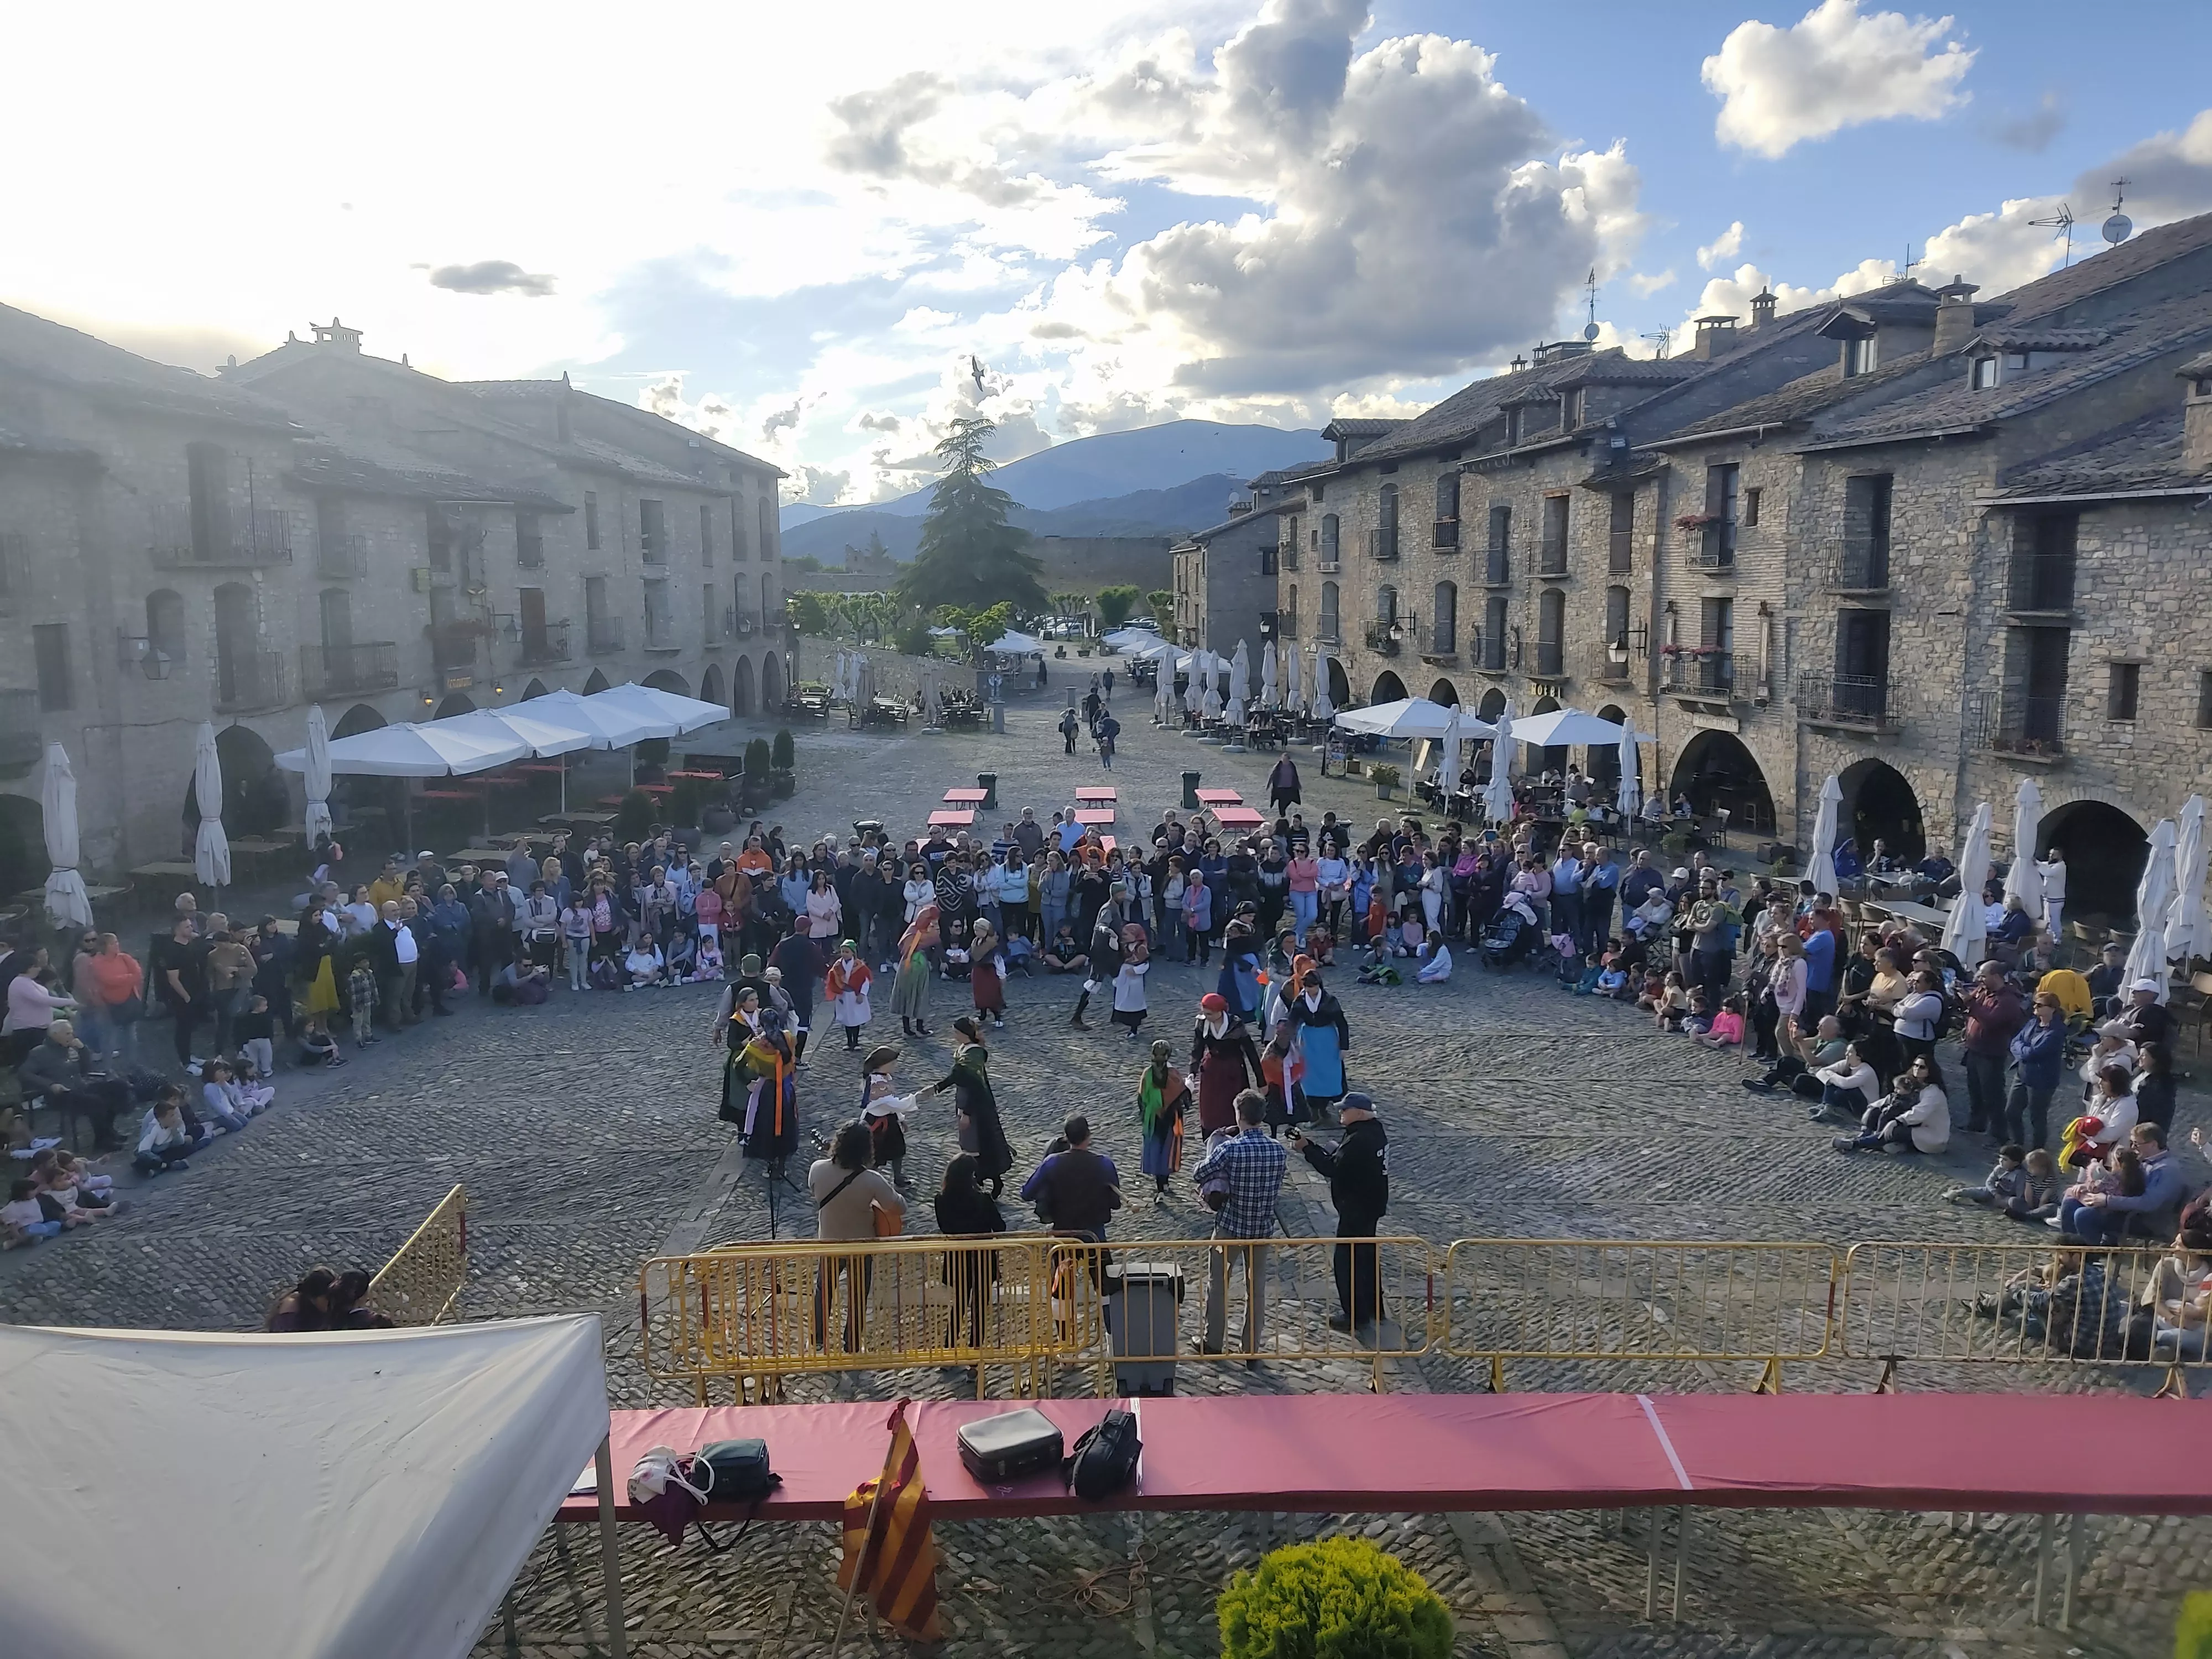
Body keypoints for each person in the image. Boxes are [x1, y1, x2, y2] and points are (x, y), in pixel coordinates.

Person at [1192, 1091, 1287, 1357]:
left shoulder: (1229, 1149)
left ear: (1239, 1116)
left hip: (1230, 1227)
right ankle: (1251, 1348)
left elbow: (1198, 1172)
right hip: (1262, 1229)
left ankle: (1213, 1342)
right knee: (1256, 1290)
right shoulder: (1278, 1151)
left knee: (1218, 1284)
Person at [1291, 1090, 1389, 1333]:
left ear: (1359, 1113)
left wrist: (1306, 1149)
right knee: (1367, 1257)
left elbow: (1332, 1167)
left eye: (1345, 1110)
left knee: (1347, 1261)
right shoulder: (1375, 1132)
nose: (1341, 1113)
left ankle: (1355, 1316)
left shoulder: (1359, 1140)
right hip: (1372, 1205)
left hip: (1357, 1208)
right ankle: (1375, 1307)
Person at [809, 1121, 902, 1349]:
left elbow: (815, 1193)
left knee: (823, 1291)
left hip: (829, 1242)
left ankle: (818, 1337)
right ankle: (851, 1343)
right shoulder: (871, 1180)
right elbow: (899, 1206)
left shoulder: (817, 1169)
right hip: (860, 1246)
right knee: (858, 1295)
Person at [2060, 1122, 2186, 1245]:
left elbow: (2148, 1204)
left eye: (2136, 1144)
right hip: (2126, 1209)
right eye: (2132, 1143)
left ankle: (2089, 1258)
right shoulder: (2144, 1159)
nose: (2132, 1148)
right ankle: (2070, 1251)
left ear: (2153, 1145)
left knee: (2084, 1215)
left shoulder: (2166, 1170)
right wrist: (2089, 1187)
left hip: (2145, 1220)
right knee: (2071, 1203)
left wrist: (2108, 1201)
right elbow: (2119, 1182)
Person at [931, 1018, 1015, 1197]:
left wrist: (967, 1113)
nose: (953, 1036)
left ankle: (988, 1181)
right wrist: (937, 1088)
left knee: (981, 1144)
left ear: (963, 1034)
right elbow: (957, 1076)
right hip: (965, 1101)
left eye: (956, 1032)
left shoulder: (974, 1054)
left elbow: (974, 1085)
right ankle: (979, 1180)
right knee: (973, 1145)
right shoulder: (965, 1050)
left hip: (977, 1106)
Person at [933, 1152, 1005, 1352]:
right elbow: (1000, 1227)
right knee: (980, 1309)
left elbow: (945, 1228)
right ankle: (975, 1355)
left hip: (957, 1259)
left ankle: (949, 1349)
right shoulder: (983, 1199)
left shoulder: (941, 1200)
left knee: (958, 1305)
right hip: (983, 1259)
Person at [1019, 1113, 1122, 1239]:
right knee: (1098, 1258)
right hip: (1094, 1237)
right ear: (1088, 1136)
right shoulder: (1104, 1164)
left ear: (1066, 1138)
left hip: (1064, 1238)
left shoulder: (1052, 1163)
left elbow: (1027, 1193)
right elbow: (1115, 1203)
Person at [1834, 1054, 1950, 1154]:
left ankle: (1855, 1144)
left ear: (1930, 1070)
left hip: (1930, 1134)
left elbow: (1919, 1113)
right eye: (1915, 1065)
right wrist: (1874, 1106)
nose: (1917, 1069)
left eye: (1922, 1067)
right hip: (1914, 1124)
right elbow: (1893, 1097)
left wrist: (1897, 1121)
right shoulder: (1911, 1083)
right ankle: (1865, 1136)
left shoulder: (1934, 1092)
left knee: (1895, 1130)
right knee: (1876, 1111)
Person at [1960, 961, 2026, 1135]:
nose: (1980, 979)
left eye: (1983, 975)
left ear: (1996, 977)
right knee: (1975, 1089)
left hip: (1991, 1054)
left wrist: (1970, 1004)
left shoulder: (2008, 1000)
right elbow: (1971, 1006)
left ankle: (1999, 1133)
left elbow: (1991, 1022)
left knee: (1993, 1095)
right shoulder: (1983, 991)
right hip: (1974, 1049)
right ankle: (1977, 1123)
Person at [1191, 992, 1262, 1136]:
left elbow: (1251, 1052)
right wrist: (1192, 1071)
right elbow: (1197, 1048)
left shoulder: (1235, 1025)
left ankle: (1235, 1137)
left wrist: (1261, 1081)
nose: (1206, 1017)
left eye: (1209, 1014)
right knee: (1210, 1108)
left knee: (1233, 1107)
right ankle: (1212, 1139)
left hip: (1233, 1073)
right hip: (1212, 1072)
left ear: (1220, 1012)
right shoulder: (1203, 1023)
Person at [1286, 967, 1350, 1122]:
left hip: (1328, 1040)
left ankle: (1327, 1108)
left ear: (1319, 985)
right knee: (1309, 1075)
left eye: (1313, 986)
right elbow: (1292, 1021)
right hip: (1308, 1041)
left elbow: (1342, 1024)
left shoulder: (1330, 1001)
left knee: (1331, 1075)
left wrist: (1344, 1046)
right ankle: (1313, 1110)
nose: (1310, 990)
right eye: (1307, 987)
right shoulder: (1300, 1001)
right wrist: (1289, 1041)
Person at [1135, 1040, 1189, 1201]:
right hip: (1171, 1119)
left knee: (1156, 1150)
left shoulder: (1147, 1074)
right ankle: (1165, 1184)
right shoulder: (1174, 1075)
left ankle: (1159, 1187)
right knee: (1168, 1151)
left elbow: (1141, 1097)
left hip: (1153, 1119)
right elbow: (1183, 1096)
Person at [890, 902, 937, 1038]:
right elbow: (937, 946)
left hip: (906, 965)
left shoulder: (912, 929)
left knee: (906, 996)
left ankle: (907, 1029)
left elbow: (902, 946)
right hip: (919, 967)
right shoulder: (929, 933)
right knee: (920, 996)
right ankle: (920, 1029)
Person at [1267, 753, 1302, 817]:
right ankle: (1282, 813)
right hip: (1280, 787)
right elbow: (1272, 775)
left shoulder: (1292, 766)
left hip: (1290, 787)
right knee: (1282, 802)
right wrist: (1268, 785)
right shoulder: (1278, 766)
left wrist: (1298, 785)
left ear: (1289, 759)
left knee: (1288, 800)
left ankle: (1283, 811)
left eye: (1286, 759)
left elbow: (1295, 776)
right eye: (1283, 759)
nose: (1284, 761)